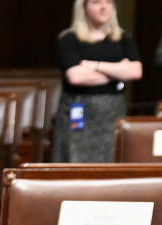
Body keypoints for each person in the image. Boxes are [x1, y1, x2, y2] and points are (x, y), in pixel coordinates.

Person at [51, 0, 142, 163]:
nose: (103, 7)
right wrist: (118, 72)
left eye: (108, 2)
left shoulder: (124, 38)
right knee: (75, 163)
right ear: (83, 7)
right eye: (96, 2)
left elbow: (135, 72)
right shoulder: (69, 39)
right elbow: (76, 77)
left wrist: (95, 65)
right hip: (80, 112)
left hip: (113, 112)